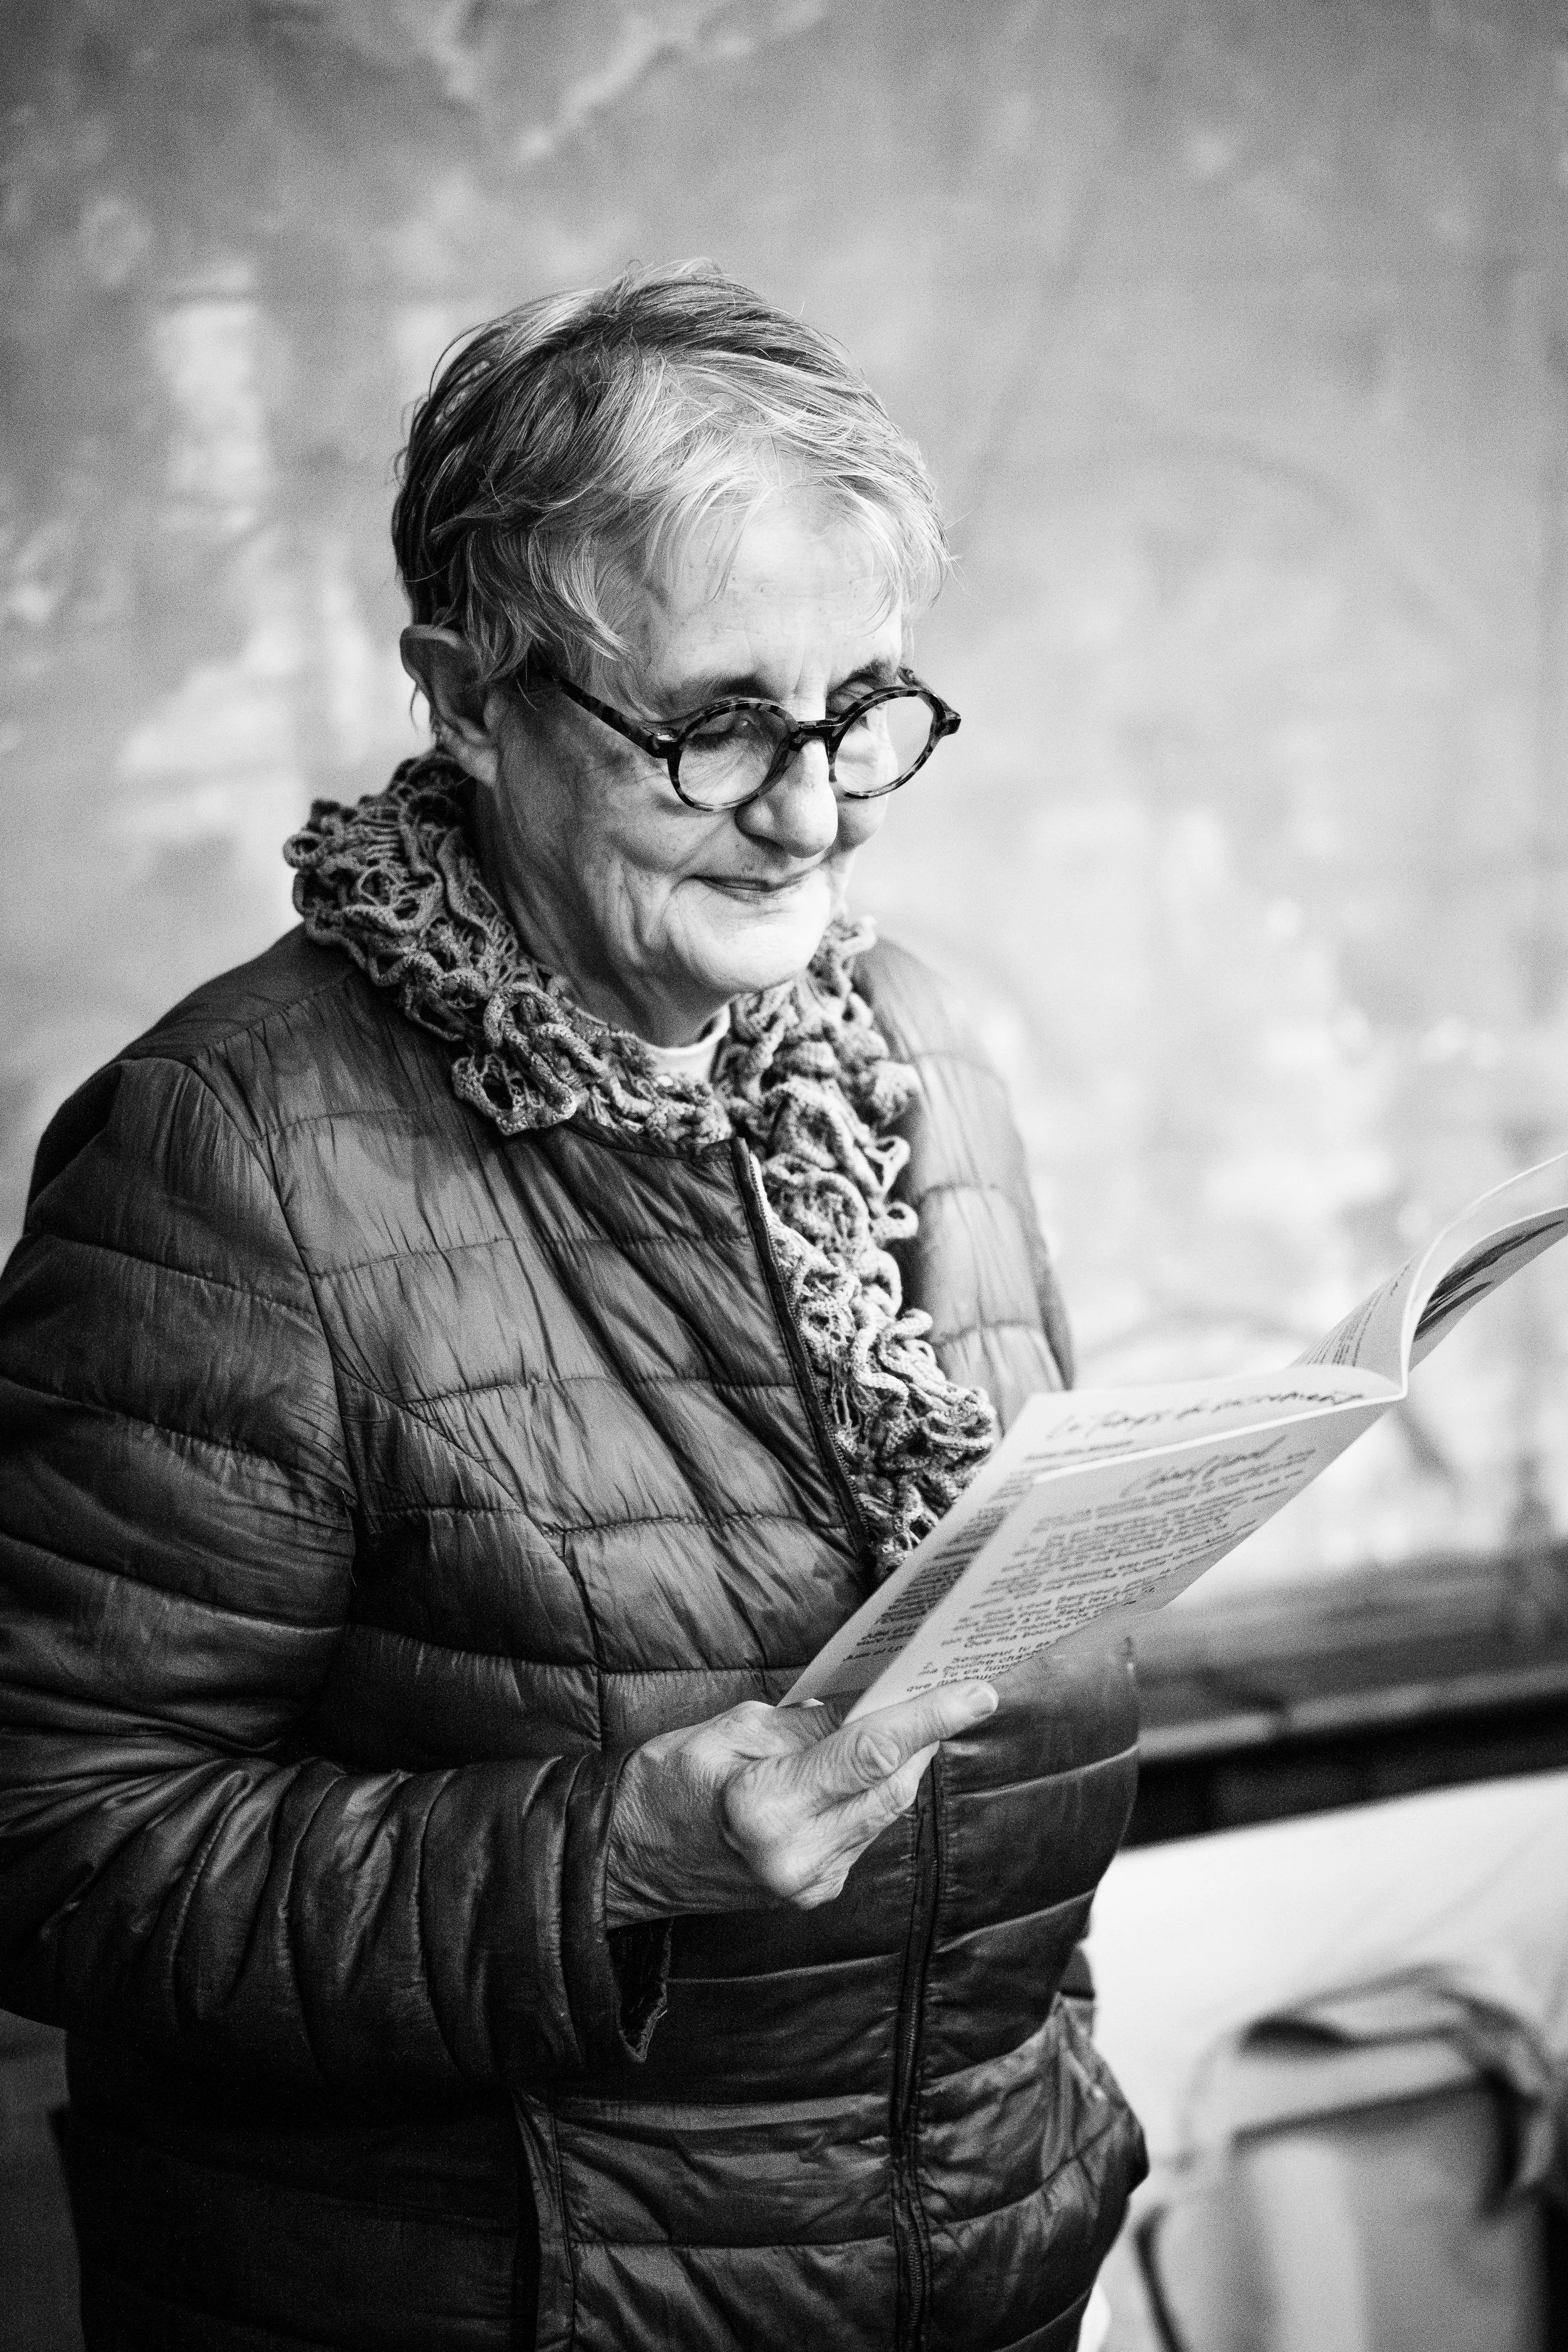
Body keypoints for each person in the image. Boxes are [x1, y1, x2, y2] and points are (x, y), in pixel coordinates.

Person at [0, 263, 1145, 2352]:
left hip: (983, 2282)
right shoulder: (226, 1150)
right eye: (712, 729)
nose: (809, 809)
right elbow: (58, 1849)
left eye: (856, 709)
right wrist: (602, 1852)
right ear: (466, 693)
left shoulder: (919, 1049)